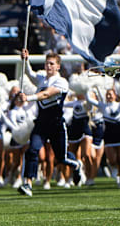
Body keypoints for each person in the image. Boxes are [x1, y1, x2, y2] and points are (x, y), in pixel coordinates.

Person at [17, 49, 82, 197]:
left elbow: (46, 94)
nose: (48, 66)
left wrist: (28, 97)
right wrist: (26, 60)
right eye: (47, 63)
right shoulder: (42, 78)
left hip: (56, 125)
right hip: (41, 124)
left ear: (58, 66)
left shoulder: (61, 82)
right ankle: (27, 183)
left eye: (52, 64)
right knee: (32, 150)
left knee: (62, 158)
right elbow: (31, 75)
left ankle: (76, 165)